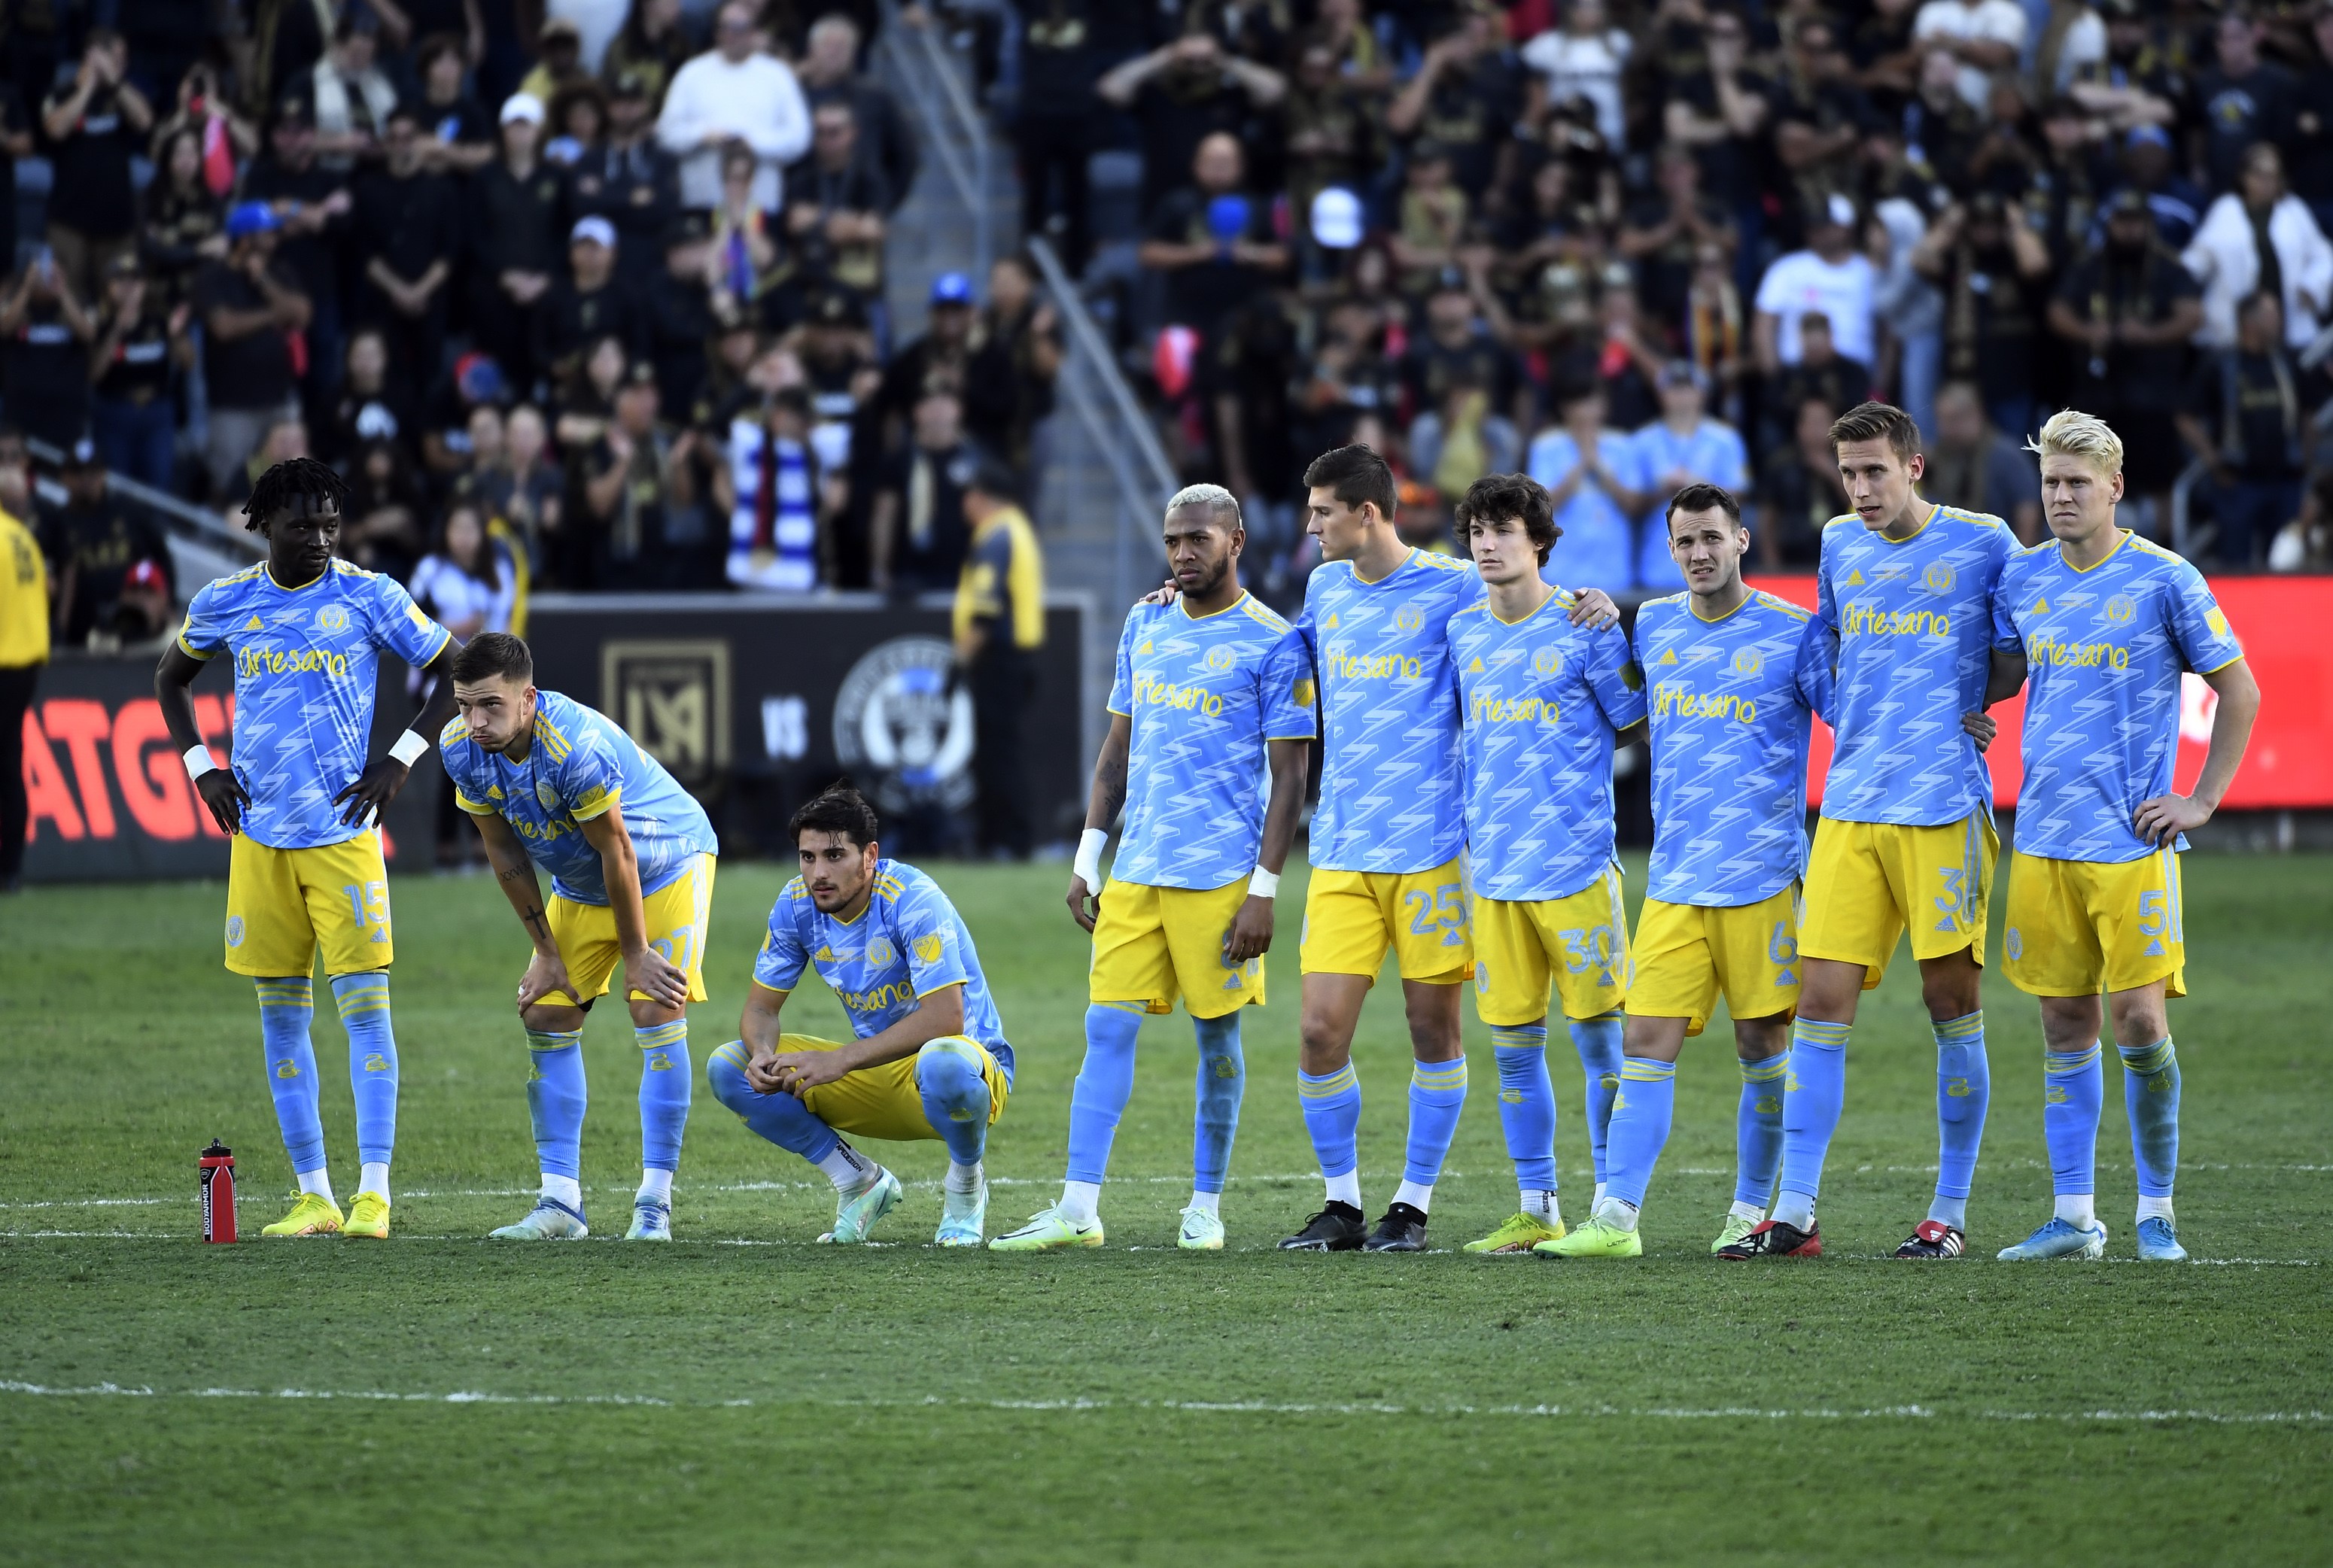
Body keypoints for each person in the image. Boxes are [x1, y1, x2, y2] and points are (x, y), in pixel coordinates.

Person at [1276, 445, 1617, 1253]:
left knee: (1436, 1032)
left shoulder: (1455, 584)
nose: (1310, 525)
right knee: (1320, 1031)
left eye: (1322, 510)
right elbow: (1281, 651)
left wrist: (1593, 602)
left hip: (1434, 849)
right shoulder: (1323, 587)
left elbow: (1527, 602)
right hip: (1342, 850)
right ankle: (1341, 1204)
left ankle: (1412, 1205)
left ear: (1366, 513)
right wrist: (1183, 603)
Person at [1720, 402, 2019, 1261]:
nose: (1859, 489)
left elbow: (2015, 648)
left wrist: (1978, 704)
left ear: (1914, 466)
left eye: (1874, 471)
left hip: (1941, 807)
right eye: (1847, 473)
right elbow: (1833, 642)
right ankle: (1796, 1211)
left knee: (1949, 1003)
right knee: (1817, 1006)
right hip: (1850, 801)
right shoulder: (1838, 542)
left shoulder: (1982, 540)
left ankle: (1948, 1212)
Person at [990, 486, 1313, 1253]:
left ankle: (1204, 1205)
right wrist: (1086, 857)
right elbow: (1117, 749)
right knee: (1104, 1027)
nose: (1181, 554)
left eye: (1197, 539)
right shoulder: (1146, 620)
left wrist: (1263, 892)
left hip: (1221, 876)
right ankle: (1077, 1207)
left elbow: (1293, 778)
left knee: (1215, 1039)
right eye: (1172, 541)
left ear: (1235, 539)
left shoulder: (1274, 640)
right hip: (1135, 869)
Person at [153, 457, 461, 1241]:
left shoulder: (368, 594)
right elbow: (170, 678)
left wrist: (399, 760)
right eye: (303, 524)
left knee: (365, 1012)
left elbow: (454, 667)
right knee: (282, 1017)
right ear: (264, 525)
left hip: (343, 838)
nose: (321, 537)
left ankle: (374, 1194)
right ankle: (315, 1194)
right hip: (258, 839)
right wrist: (201, 770)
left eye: (330, 522)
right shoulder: (226, 601)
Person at [1987, 410, 2258, 1263]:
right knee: (2064, 1023)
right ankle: (2073, 1217)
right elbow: (1999, 671)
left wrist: (2201, 800)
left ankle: (2156, 1210)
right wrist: (1968, 710)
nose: (2061, 496)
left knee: (2137, 1021)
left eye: (2076, 483)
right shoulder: (2023, 580)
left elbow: (2239, 691)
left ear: (2115, 486)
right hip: (2041, 839)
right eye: (2050, 483)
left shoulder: (2163, 578)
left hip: (2130, 843)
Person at [1540, 482, 1834, 1260]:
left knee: (1760, 1045)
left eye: (1711, 537)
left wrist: (1965, 711)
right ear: (1668, 551)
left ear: (1741, 538)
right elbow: (1622, 703)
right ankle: (1614, 1218)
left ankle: (1747, 1212)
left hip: (1762, 877)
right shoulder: (1656, 624)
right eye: (1683, 543)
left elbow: (1854, 712)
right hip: (1673, 878)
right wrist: (1600, 614)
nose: (1698, 554)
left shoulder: (1791, 631)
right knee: (1644, 1040)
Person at [441, 631, 717, 1243]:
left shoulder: (576, 748)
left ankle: (654, 1204)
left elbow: (619, 851)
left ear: (529, 699)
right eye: (464, 705)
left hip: (666, 862)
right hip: (583, 881)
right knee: (544, 1011)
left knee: (653, 1004)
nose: (475, 721)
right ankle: (561, 1204)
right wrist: (545, 951)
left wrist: (637, 953)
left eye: (490, 705)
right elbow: (502, 848)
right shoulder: (459, 748)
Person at [1441, 472, 1647, 1256]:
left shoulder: (1583, 623)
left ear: (1538, 540)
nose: (1487, 544)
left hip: (1576, 868)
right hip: (1491, 873)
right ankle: (1538, 1206)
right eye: (1476, 532)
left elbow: (1631, 720)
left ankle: (1609, 1213)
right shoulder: (1464, 632)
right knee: (1514, 1049)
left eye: (1502, 529)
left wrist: (1606, 621)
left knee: (1602, 1044)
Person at [705, 786, 1013, 1246]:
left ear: (870, 855)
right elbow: (759, 1008)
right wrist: (763, 1052)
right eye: (807, 858)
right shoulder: (795, 904)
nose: (818, 873)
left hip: (967, 1075)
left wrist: (841, 1059)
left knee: (943, 1059)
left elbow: (945, 1018)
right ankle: (858, 1180)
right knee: (729, 1068)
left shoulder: (911, 897)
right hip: (880, 1074)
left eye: (834, 855)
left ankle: (966, 1187)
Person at [954, 460, 1047, 862]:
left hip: (999, 659)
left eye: (968, 494)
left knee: (997, 754)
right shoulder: (1015, 528)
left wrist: (960, 658)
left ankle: (1006, 840)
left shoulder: (997, 536)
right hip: (1015, 657)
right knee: (1002, 750)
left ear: (981, 497)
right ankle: (1008, 837)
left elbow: (986, 611)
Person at [2176, 291, 2307, 567]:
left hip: (2286, 479)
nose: (2279, 321)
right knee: (2236, 564)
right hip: (2238, 481)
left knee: (2289, 565)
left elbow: (2308, 414)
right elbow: (2185, 417)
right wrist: (2213, 460)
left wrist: (2305, 458)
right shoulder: (2220, 363)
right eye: (2272, 314)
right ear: (2250, 321)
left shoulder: (2286, 360)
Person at [195, 202, 311, 497]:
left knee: (292, 482)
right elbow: (224, 327)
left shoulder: (279, 272)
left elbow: (301, 315)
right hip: (233, 405)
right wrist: (273, 315)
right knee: (229, 482)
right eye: (266, 233)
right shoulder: (213, 276)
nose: (274, 239)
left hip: (279, 400)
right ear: (245, 239)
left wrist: (262, 280)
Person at [655, 0, 812, 214]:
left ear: (755, 32)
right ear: (716, 32)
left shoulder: (778, 75)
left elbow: (799, 138)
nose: (731, 35)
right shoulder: (692, 73)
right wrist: (702, 136)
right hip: (700, 200)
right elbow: (666, 133)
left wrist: (752, 143)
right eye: (725, 27)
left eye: (739, 28)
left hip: (761, 203)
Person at [2181, 143, 2333, 355]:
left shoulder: (2294, 210)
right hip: (2233, 329)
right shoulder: (2225, 209)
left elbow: (2324, 257)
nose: (2266, 183)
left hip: (2288, 322)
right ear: (2244, 177)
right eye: (2259, 175)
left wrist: (2312, 286)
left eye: (2273, 176)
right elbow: (2197, 260)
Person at [39, 28, 154, 300]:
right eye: (116, 58)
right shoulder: (60, 92)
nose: (122, 65)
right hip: (69, 223)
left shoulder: (123, 94)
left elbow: (145, 120)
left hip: (117, 225)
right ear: (93, 56)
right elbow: (56, 130)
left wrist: (114, 82)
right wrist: (88, 86)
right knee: (66, 300)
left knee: (118, 304)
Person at [39, 438, 172, 647]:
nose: (86, 480)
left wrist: (168, 603)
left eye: (93, 473)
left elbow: (162, 554)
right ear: (64, 477)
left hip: (131, 627)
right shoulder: (58, 521)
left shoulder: (127, 510)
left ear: (103, 474)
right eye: (78, 473)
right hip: (77, 633)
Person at [1631, 362, 1749, 590]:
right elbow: (1631, 505)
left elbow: (1740, 497)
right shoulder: (1642, 441)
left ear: (1702, 393)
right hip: (1655, 565)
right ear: (1661, 395)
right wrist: (1662, 491)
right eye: (1674, 390)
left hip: (1713, 562)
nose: (1681, 397)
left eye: (1688, 389)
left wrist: (1697, 487)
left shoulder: (1725, 439)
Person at [1526, 383, 1646, 592]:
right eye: (1578, 403)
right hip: (1561, 573)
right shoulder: (1547, 446)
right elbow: (1542, 507)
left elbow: (1634, 505)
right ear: (1565, 408)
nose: (1585, 410)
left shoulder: (1622, 445)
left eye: (1592, 402)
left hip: (1613, 573)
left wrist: (1598, 465)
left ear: (1604, 406)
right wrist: (1582, 462)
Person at [87, 254, 189, 494]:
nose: (129, 288)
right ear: (108, 287)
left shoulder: (159, 320)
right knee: (117, 485)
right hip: (115, 412)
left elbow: (188, 361)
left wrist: (176, 334)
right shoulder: (97, 322)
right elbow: (94, 374)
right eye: (120, 281)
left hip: (156, 412)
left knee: (159, 482)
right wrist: (117, 329)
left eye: (135, 281)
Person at [1753, 194, 1880, 379]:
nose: (1815, 232)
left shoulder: (1868, 272)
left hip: (1855, 380)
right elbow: (1764, 323)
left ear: (1845, 228)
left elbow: (1886, 332)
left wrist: (1879, 385)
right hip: (1797, 378)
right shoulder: (1787, 268)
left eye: (1824, 226)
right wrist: (1774, 380)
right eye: (1812, 226)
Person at [0, 447, 47, 892]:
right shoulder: (22, 537)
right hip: (26, 661)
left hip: (4, 660)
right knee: (9, 766)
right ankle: (10, 868)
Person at [0, 248, 96, 452]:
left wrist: (62, 292)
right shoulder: (16, 305)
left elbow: (88, 335)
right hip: (21, 410)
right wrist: (26, 288)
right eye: (43, 273)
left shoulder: (79, 304)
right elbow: (4, 328)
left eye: (54, 274)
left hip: (66, 413)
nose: (47, 279)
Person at [1924, 380, 2043, 542]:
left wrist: (2020, 561)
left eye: (1953, 420)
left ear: (1975, 414)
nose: (1945, 430)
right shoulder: (1944, 457)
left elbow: (2028, 511)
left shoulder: (2006, 455)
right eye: (1941, 420)